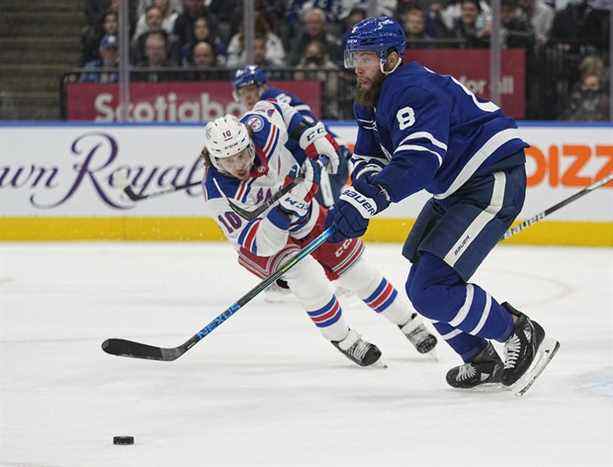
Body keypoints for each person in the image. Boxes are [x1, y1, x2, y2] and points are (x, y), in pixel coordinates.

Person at [327, 16, 559, 391]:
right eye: (354, 58)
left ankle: (520, 332)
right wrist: (359, 193)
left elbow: (421, 159)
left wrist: (371, 199)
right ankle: (480, 359)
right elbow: (369, 155)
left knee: (433, 287)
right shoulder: (370, 97)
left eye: (365, 58)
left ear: (390, 58)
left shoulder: (413, 88)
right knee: (422, 282)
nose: (357, 67)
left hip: (489, 179)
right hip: (456, 189)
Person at [199, 102, 438, 367]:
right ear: (214, 159)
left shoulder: (260, 126)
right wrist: (283, 213)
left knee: (356, 272)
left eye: (242, 154)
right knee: (307, 276)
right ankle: (345, 339)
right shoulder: (218, 195)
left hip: (301, 207)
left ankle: (409, 322)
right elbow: (262, 243)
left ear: (249, 143)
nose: (239, 165)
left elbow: (281, 109)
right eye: (228, 161)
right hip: (262, 239)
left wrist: (313, 137)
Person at [232, 65, 350, 301]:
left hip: (323, 162)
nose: (246, 95)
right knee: (296, 221)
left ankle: (347, 274)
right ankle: (288, 279)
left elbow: (307, 128)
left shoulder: (274, 101)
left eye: (251, 89)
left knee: (325, 221)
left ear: (263, 87)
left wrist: (317, 158)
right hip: (309, 168)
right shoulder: (262, 109)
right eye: (241, 91)